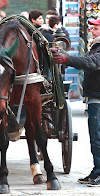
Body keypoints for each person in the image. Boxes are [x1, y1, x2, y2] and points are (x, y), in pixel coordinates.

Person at [50, 18, 100, 187]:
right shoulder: (95, 45)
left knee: (98, 138)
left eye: (96, 28)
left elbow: (91, 63)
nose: (92, 31)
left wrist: (66, 59)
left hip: (98, 99)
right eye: (92, 27)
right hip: (95, 98)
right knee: (96, 138)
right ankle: (96, 171)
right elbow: (86, 62)